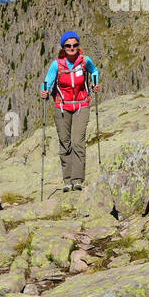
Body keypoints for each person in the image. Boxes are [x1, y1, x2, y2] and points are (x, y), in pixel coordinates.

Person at [40, 31, 100, 191]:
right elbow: (47, 81)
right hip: (62, 108)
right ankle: (67, 181)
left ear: (78, 46)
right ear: (63, 47)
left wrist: (95, 83)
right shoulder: (57, 64)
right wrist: (44, 91)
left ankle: (78, 179)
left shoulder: (84, 61)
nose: (72, 48)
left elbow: (94, 71)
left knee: (77, 142)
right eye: (68, 45)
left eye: (75, 45)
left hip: (82, 106)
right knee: (65, 144)